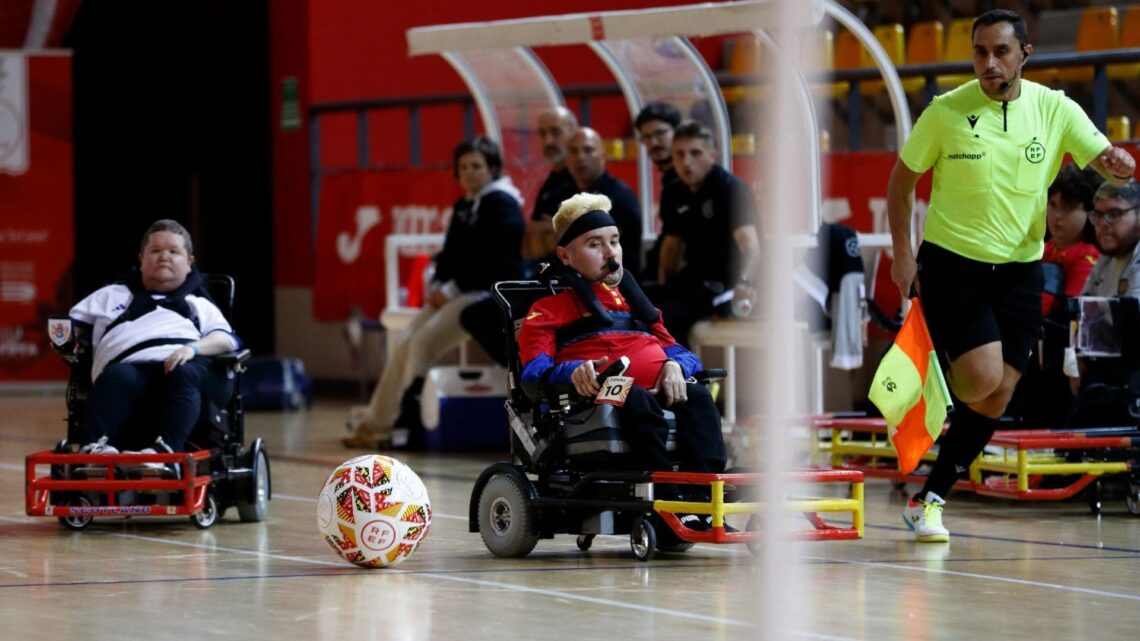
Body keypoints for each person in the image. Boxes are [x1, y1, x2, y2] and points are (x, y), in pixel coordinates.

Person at [886, 9, 1136, 542]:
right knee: (980, 379)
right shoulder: (946, 111)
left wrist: (1115, 160)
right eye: (980, 52)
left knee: (998, 395)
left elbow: (1101, 155)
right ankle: (926, 391)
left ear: (1025, 53)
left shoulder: (1054, 108)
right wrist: (902, 255)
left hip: (1021, 268)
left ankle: (929, 499)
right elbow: (901, 181)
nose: (989, 62)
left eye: (1000, 51)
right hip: (954, 263)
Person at [515, 192, 726, 518]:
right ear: (566, 256)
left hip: (658, 391)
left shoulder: (640, 306)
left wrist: (674, 366)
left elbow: (684, 354)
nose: (610, 252)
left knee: (698, 396)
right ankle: (664, 499)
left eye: (614, 241)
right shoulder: (546, 311)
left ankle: (704, 500)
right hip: (598, 397)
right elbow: (533, 373)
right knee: (633, 395)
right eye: (595, 244)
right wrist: (571, 371)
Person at [344, 136, 525, 448]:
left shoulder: (503, 204)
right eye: (464, 166)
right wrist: (437, 285)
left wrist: (451, 289)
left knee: (422, 345)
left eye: (477, 166)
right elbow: (450, 254)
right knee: (403, 341)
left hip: (483, 295)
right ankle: (376, 421)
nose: (469, 172)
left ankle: (410, 424)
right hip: (453, 292)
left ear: (492, 168)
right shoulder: (464, 205)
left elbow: (493, 263)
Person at [68, 219, 242, 456]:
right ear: (141, 258)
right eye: (156, 251)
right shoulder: (110, 295)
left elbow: (226, 340)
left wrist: (192, 349)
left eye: (174, 251)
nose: (164, 257)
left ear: (190, 263)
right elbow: (67, 330)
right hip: (127, 372)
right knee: (117, 375)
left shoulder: (198, 305)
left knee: (184, 370)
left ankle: (165, 451)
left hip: (185, 369)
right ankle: (94, 449)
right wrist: (68, 340)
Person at [651, 120, 761, 347]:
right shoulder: (674, 192)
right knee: (643, 304)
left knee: (671, 315)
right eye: (679, 154)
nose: (686, 162)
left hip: (727, 282)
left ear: (712, 155)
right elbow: (671, 247)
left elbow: (751, 247)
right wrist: (664, 285)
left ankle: (688, 377)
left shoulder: (730, 189)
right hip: (693, 279)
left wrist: (745, 282)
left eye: (695, 153)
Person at [1012, 166, 1102, 427]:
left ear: (1089, 212)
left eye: (1069, 207)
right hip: (1032, 357)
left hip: (1061, 364)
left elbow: (1067, 311)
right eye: (1052, 205)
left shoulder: (1087, 256)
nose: (1057, 216)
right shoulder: (1042, 249)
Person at [1066, 181, 1140, 427]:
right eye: (1097, 215)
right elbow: (1081, 311)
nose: (1104, 223)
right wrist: (1074, 354)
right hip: (1109, 373)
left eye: (1115, 213)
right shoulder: (1106, 260)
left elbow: (1129, 316)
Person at [565, 127, 643, 276]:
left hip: (613, 280)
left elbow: (593, 248)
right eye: (574, 151)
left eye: (588, 150)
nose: (580, 157)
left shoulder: (619, 196)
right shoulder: (562, 193)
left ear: (603, 155)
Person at [521, 106, 580, 265]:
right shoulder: (551, 180)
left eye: (555, 132)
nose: (548, 141)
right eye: (542, 133)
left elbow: (572, 241)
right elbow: (532, 242)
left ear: (574, 133)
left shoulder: (581, 181)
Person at [634, 100, 683, 281]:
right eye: (646, 137)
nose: (653, 142)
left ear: (677, 133)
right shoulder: (670, 179)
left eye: (660, 133)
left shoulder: (684, 181)